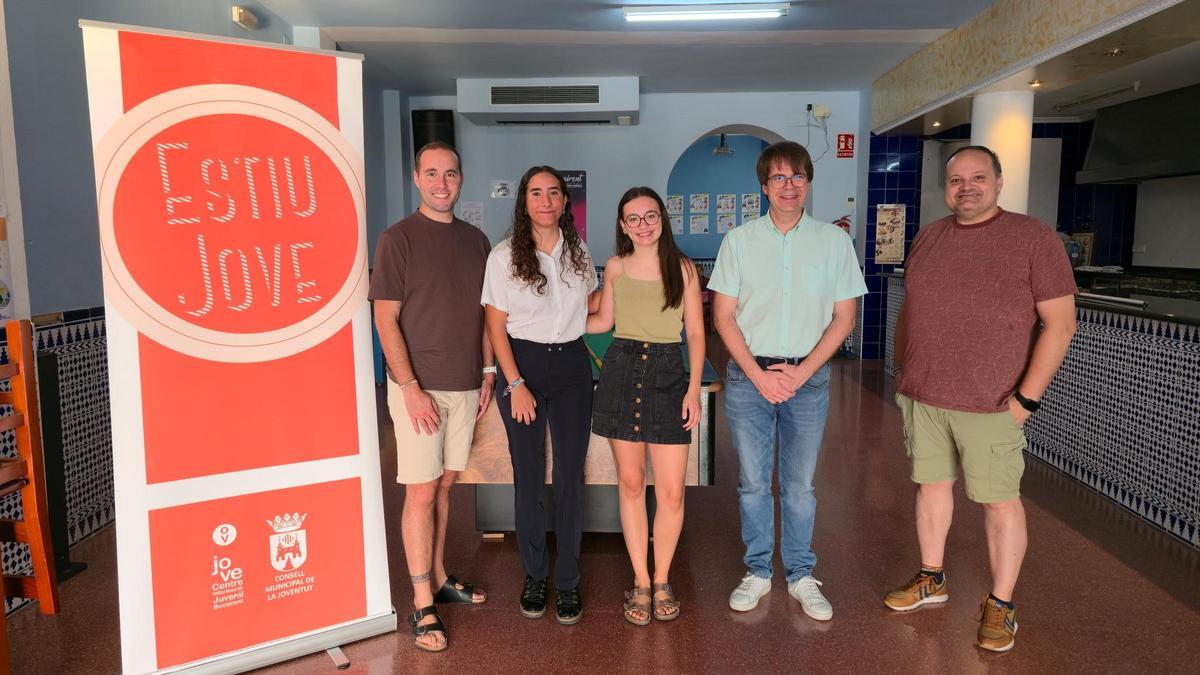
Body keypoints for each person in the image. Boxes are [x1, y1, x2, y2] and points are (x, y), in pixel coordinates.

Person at [884, 145, 1076, 653]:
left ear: (998, 181)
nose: (965, 187)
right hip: (924, 396)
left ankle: (1001, 603)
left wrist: (1025, 402)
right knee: (931, 488)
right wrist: (904, 367)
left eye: (977, 177)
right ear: (945, 187)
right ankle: (932, 578)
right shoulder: (930, 236)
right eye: (956, 180)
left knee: (999, 502)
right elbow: (912, 307)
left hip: (992, 403)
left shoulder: (1033, 238)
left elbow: (1060, 324)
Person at [707, 141, 866, 621]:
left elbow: (844, 318)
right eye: (778, 178)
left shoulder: (833, 242)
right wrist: (758, 375)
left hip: (808, 379)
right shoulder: (738, 241)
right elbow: (723, 317)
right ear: (764, 187)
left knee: (799, 486)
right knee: (754, 483)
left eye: (797, 177)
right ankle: (757, 571)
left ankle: (800, 575)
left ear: (808, 183)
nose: (789, 186)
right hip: (748, 377)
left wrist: (802, 371)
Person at [369, 142, 494, 652]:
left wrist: (486, 370)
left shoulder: (477, 240)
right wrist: (410, 387)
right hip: (418, 390)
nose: (442, 183)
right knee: (420, 493)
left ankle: (439, 578)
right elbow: (384, 318)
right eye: (432, 174)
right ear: (416, 178)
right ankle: (422, 606)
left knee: (444, 490)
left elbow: (488, 315)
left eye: (451, 174)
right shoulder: (397, 239)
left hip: (466, 385)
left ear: (461, 179)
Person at [482, 166, 598, 625]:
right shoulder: (504, 255)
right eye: (536, 192)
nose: (545, 200)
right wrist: (515, 385)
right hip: (522, 365)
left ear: (564, 201)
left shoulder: (579, 253)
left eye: (553, 192)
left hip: (571, 367)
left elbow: (589, 310)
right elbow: (495, 325)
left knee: (571, 475)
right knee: (528, 477)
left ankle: (567, 580)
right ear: (524, 201)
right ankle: (535, 575)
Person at [586, 187, 705, 625]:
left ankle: (662, 579)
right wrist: (552, 318)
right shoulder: (615, 267)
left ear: (662, 219)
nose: (642, 224)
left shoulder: (684, 269)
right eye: (632, 218)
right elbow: (602, 321)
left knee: (671, 491)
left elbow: (694, 333)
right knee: (632, 484)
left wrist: (692, 390)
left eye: (649, 216)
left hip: (670, 374)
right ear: (622, 225)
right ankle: (640, 581)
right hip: (621, 369)